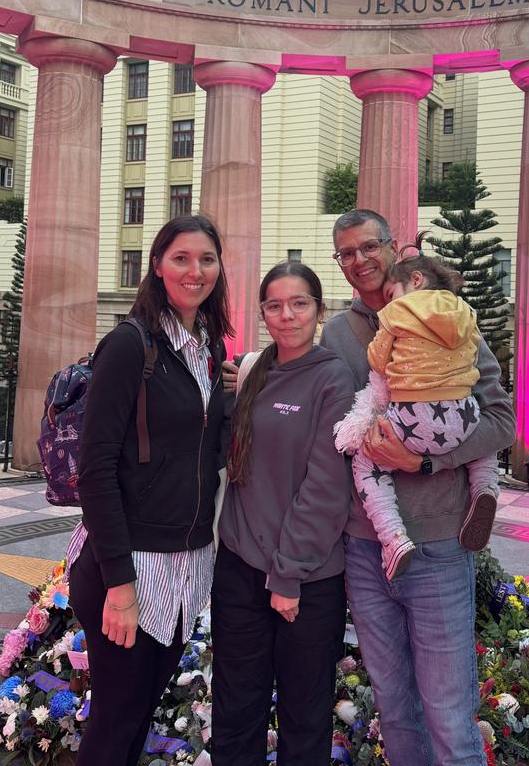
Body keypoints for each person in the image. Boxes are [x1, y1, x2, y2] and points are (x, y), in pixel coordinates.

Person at [321, 209, 515, 766]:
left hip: (439, 544)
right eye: (346, 253)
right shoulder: (339, 333)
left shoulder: (446, 315)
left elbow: (501, 419)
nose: (359, 261)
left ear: (392, 247)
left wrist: (426, 462)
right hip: (365, 546)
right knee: (395, 708)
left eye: (367, 247)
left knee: (450, 713)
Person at [67, 215, 233, 766]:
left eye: (206, 259)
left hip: (185, 567)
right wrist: (120, 584)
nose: (195, 270)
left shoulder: (208, 351)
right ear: (158, 266)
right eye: (181, 258)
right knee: (115, 724)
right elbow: (94, 471)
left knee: (137, 715)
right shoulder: (129, 346)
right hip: (130, 568)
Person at [211, 262, 354, 766]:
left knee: (305, 717)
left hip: (307, 581)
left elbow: (326, 486)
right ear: (263, 313)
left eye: (299, 304)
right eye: (274, 305)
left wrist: (288, 575)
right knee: (235, 709)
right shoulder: (255, 371)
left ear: (319, 310)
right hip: (240, 567)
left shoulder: (333, 378)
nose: (287, 315)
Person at [335, 249, 500, 579]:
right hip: (462, 412)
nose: (389, 301)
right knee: (484, 444)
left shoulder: (395, 314)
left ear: (415, 280)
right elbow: (473, 364)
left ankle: (393, 538)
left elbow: (378, 362)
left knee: (367, 462)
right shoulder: (465, 313)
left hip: (413, 418)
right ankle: (485, 489)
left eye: (392, 293)